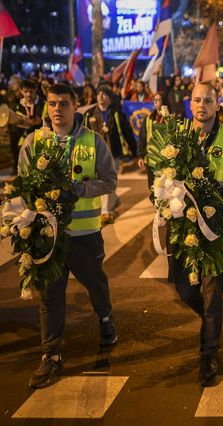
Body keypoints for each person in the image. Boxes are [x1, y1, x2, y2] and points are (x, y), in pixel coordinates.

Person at [19, 84, 118, 389]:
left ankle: (104, 319)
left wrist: (78, 190)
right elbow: (22, 183)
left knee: (95, 283)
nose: (57, 109)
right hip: (48, 237)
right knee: (50, 298)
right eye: (52, 104)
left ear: (76, 106)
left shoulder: (93, 141)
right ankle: (50, 356)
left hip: (84, 234)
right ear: (46, 107)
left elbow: (110, 180)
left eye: (63, 103)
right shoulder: (33, 142)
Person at [170, 82, 223, 387]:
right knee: (184, 288)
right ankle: (208, 320)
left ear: (218, 104)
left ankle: (209, 353)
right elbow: (160, 179)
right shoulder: (177, 139)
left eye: (208, 100)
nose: (201, 106)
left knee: (212, 291)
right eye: (196, 100)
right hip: (184, 228)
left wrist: (218, 197)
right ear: (189, 104)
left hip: (222, 229)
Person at [83, 85, 136, 224]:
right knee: (99, 181)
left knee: (110, 181)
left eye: (104, 94)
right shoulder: (89, 114)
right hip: (95, 154)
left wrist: (136, 152)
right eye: (99, 93)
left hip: (114, 153)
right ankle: (115, 199)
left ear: (110, 98)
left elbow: (128, 133)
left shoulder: (117, 114)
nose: (100, 96)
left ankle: (106, 211)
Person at [9, 79, 46, 175]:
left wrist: (36, 121)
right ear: (21, 91)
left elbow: (41, 120)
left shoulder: (41, 103)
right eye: (25, 92)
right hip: (21, 135)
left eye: (31, 91)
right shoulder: (17, 104)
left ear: (35, 90)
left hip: (37, 135)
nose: (28, 94)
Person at [137, 93, 166, 189]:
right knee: (152, 187)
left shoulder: (170, 118)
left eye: (159, 99)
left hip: (165, 160)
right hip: (150, 160)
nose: (156, 102)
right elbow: (142, 138)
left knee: (165, 188)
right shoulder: (148, 118)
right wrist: (141, 156)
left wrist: (168, 116)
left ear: (164, 102)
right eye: (155, 100)